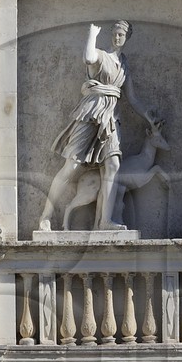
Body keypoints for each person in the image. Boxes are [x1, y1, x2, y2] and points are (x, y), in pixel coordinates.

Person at [39, 20, 151, 231]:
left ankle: (106, 221)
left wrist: (149, 116)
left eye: (122, 35)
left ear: (127, 38)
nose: (118, 38)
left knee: (113, 167)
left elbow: (133, 99)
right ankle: (46, 215)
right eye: (116, 33)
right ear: (111, 34)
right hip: (90, 113)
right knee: (71, 167)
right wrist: (92, 35)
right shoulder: (101, 55)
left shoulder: (124, 65)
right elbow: (88, 57)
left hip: (110, 119)